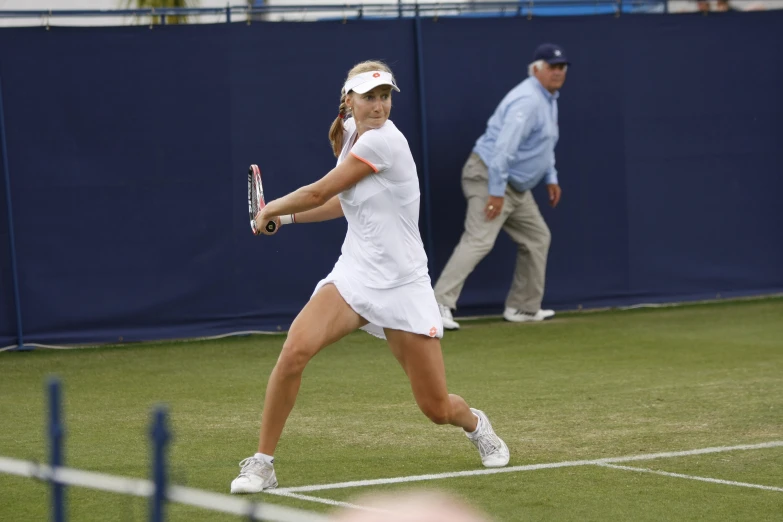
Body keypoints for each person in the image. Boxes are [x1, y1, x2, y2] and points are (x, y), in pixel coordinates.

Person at [230, 60, 510, 494]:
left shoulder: (385, 143)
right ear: (350, 101)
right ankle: (262, 464)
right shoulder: (350, 137)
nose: (379, 105)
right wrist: (285, 221)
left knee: (436, 408)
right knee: (294, 351)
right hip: (355, 275)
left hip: (402, 286)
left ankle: (476, 424)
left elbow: (321, 190)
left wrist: (272, 208)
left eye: (385, 97)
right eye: (370, 97)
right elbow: (343, 202)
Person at [433, 43, 570, 330]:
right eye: (552, 67)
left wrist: (551, 177)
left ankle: (523, 307)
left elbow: (544, 145)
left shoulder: (549, 98)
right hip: (489, 177)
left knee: (537, 238)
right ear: (536, 70)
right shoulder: (528, 101)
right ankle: (437, 305)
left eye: (561, 67)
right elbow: (502, 151)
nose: (558, 72)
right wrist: (495, 192)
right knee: (479, 240)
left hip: (515, 185)